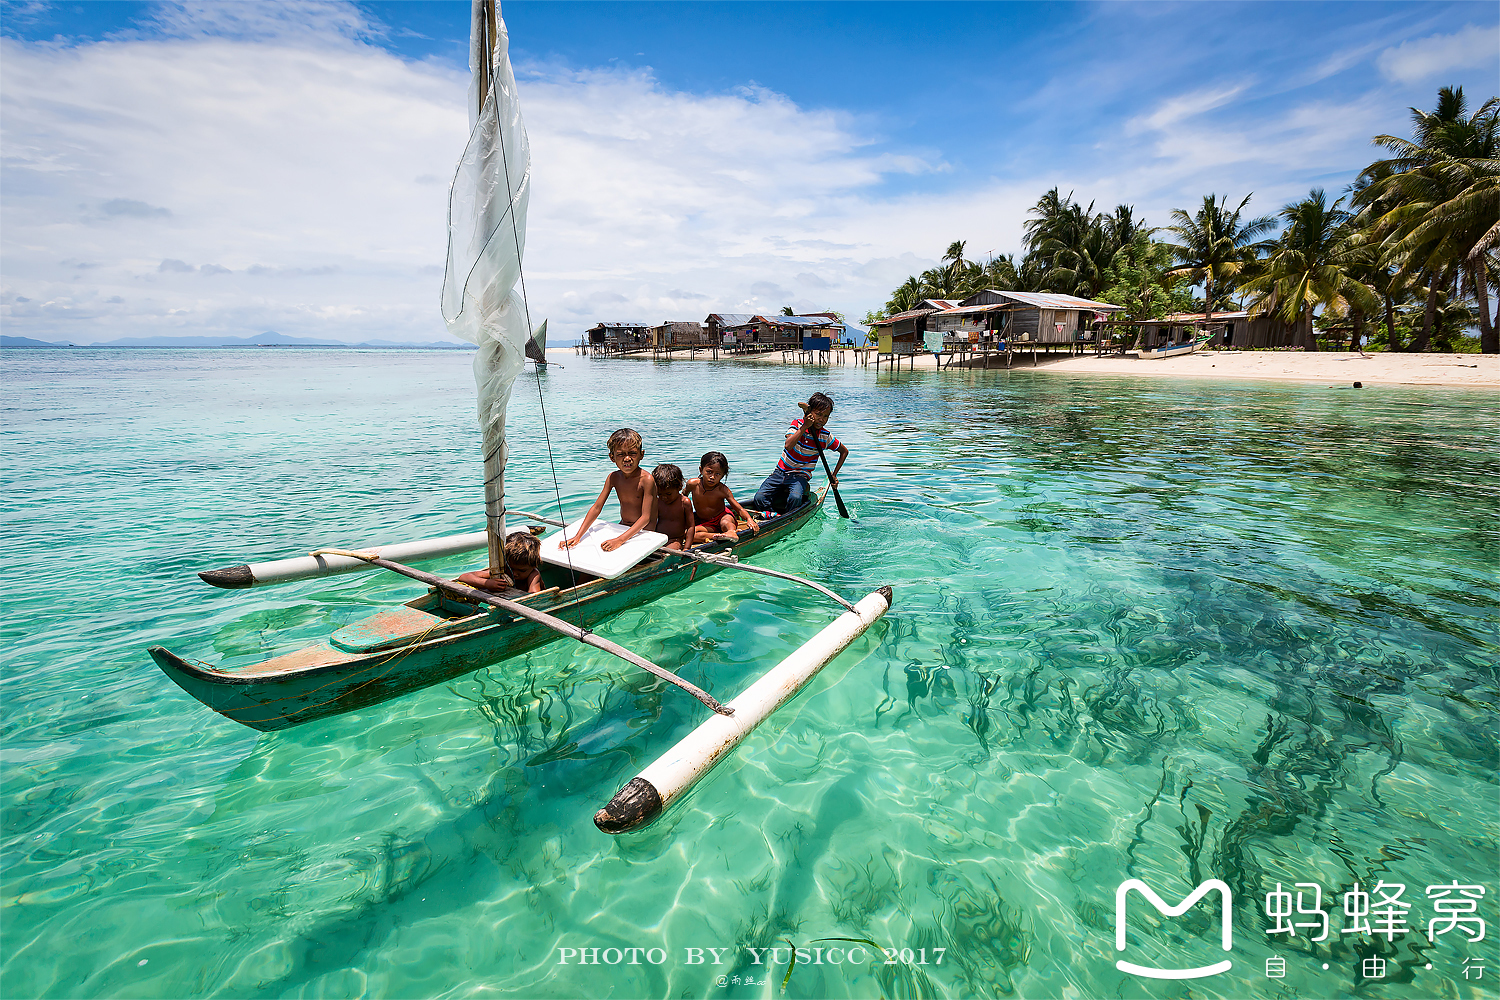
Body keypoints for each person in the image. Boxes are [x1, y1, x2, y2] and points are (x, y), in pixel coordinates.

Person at [560, 427, 657, 553]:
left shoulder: (646, 480)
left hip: (646, 532)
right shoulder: (613, 477)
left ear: (641, 455)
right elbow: (596, 508)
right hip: (623, 527)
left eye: (632, 453)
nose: (627, 458)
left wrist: (620, 540)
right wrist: (578, 536)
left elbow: (646, 518)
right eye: (621, 454)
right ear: (612, 457)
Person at [751, 392, 848, 513]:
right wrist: (805, 427)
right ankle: (772, 516)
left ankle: (789, 517)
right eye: (818, 414)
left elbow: (844, 452)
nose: (822, 419)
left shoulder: (825, 436)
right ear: (810, 413)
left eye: (826, 416)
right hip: (780, 472)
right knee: (759, 498)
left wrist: (833, 475)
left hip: (800, 475)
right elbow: (788, 445)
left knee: (795, 497)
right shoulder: (797, 424)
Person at [685, 451, 755, 544]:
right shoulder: (693, 484)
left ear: (723, 475)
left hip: (722, 516)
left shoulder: (722, 490)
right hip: (707, 523)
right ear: (701, 470)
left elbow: (739, 509)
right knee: (688, 534)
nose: (712, 477)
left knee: (726, 521)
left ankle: (730, 532)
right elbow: (682, 498)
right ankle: (719, 536)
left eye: (717, 474)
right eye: (709, 472)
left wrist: (749, 519)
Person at [457, 530, 544, 594]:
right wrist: (486, 584)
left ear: (533, 566)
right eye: (511, 568)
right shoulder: (503, 571)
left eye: (522, 571)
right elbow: (464, 577)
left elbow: (534, 594)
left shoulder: (533, 574)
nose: (514, 574)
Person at [652, 463, 693, 550]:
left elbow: (690, 526)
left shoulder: (684, 502)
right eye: (659, 494)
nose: (664, 497)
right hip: (658, 538)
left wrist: (687, 547)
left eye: (668, 494)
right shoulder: (657, 502)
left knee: (668, 551)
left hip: (675, 539)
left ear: (679, 487)